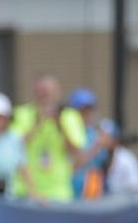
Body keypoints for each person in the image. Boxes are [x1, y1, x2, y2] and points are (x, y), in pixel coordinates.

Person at [9, 74, 88, 202]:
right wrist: (37, 123)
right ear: (35, 92)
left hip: (58, 191)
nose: (46, 96)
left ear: (57, 93)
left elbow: (76, 151)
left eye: (49, 92)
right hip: (24, 190)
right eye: (42, 92)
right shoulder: (21, 113)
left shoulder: (69, 116)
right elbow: (12, 146)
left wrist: (59, 125)